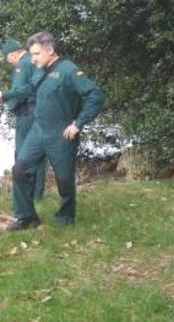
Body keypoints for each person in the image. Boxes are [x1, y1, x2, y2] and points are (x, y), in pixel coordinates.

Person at [9, 31, 103, 229]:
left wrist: (78, 124)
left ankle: (65, 218)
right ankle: (26, 217)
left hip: (60, 134)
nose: (32, 59)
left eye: (36, 54)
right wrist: (5, 95)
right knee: (19, 170)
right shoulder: (40, 70)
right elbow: (29, 90)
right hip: (38, 131)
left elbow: (95, 95)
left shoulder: (69, 71)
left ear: (50, 50)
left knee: (64, 180)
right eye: (31, 54)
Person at [0, 38, 46, 200]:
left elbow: (20, 92)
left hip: (27, 114)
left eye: (7, 58)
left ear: (13, 55)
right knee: (39, 154)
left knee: (22, 154)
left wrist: (3, 98)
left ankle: (23, 195)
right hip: (38, 112)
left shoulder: (23, 65)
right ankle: (37, 194)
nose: (8, 62)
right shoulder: (33, 60)